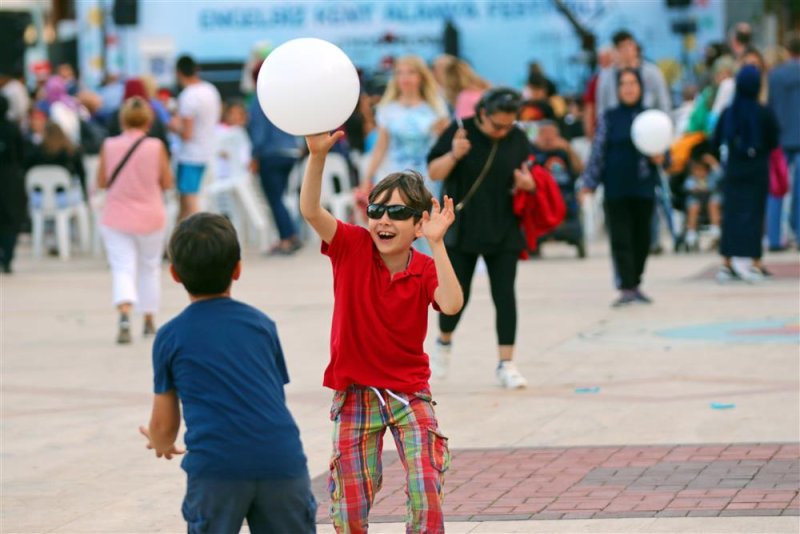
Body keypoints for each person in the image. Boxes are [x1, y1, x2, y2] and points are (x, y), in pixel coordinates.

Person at [299, 129, 463, 533]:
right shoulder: (351, 246)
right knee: (350, 507)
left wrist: (437, 244)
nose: (384, 221)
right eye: (376, 211)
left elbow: (452, 303)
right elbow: (310, 210)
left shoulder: (423, 267)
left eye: (398, 214)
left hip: (409, 391)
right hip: (355, 394)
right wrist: (317, 156)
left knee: (426, 486)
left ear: (419, 223)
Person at [139, 213, 316, 534]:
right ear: (238, 268)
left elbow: (165, 425)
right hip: (281, 461)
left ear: (175, 274)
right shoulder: (262, 326)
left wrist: (160, 441)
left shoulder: (171, 336)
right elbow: (271, 396)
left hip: (216, 471)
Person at [426, 87, 536, 388]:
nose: (503, 131)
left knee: (505, 295)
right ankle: (443, 344)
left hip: (504, 225)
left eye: (508, 124)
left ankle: (506, 363)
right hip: (464, 226)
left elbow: (532, 174)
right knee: (457, 295)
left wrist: (528, 183)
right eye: (497, 125)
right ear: (482, 114)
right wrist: (454, 154)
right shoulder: (460, 131)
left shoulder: (518, 137)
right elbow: (434, 171)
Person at [580, 69, 664, 307]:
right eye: (624, 84)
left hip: (644, 188)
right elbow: (598, 152)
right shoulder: (609, 117)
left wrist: (661, 158)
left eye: (633, 83)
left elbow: (663, 149)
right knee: (621, 238)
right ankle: (626, 286)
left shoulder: (650, 117)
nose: (628, 88)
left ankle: (636, 281)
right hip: (616, 188)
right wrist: (589, 183)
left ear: (641, 87)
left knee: (642, 238)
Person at [97, 97, 173, 343]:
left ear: (122, 119)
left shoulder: (109, 145)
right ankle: (149, 318)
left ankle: (124, 313)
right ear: (148, 120)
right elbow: (167, 182)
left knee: (122, 266)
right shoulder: (156, 146)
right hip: (151, 215)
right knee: (149, 267)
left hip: (116, 215)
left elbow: (100, 181)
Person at [362, 56, 449, 222]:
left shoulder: (436, 107)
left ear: (421, 76)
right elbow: (381, 146)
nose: (405, 78)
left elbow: (444, 144)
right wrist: (367, 178)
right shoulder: (387, 109)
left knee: (425, 226)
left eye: (411, 72)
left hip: (426, 180)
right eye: (400, 73)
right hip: (393, 178)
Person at [715, 65, 780, 282]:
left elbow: (715, 141)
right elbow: (773, 140)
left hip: (734, 170)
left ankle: (726, 262)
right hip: (757, 170)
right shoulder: (764, 112)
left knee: (731, 215)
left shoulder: (729, 112)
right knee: (754, 215)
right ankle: (755, 262)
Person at [247, 61, 303, 255]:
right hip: (290, 152)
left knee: (275, 199)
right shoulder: (284, 98)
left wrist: (254, 155)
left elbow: (259, 132)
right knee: (282, 197)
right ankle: (290, 235)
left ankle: (288, 237)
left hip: (271, 154)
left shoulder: (259, 99)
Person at [170, 55, 222, 221]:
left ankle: (199, 240)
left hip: (190, 155)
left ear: (178, 73)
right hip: (207, 151)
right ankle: (175, 242)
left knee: (191, 203)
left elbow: (186, 133)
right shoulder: (210, 90)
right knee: (185, 204)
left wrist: (171, 125)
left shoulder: (188, 96)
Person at [768, 34, 800, 249]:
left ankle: (773, 237)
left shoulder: (774, 76)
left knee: (776, 186)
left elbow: (769, 105)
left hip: (780, 136)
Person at [595, 30, 671, 117]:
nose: (626, 51)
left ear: (635, 47)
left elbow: (664, 102)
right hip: (617, 123)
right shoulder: (607, 76)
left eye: (629, 46)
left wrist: (666, 122)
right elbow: (601, 107)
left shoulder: (652, 72)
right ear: (615, 51)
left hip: (648, 121)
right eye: (621, 48)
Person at [0, 96, 26, 274]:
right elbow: (22, 153)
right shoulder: (12, 128)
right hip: (10, 179)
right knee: (10, 219)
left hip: (9, 176)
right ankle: (7, 257)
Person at [682, 153, 723, 249]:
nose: (700, 173)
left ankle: (715, 230)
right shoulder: (691, 179)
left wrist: (713, 162)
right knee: (693, 206)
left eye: (702, 170)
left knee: (714, 201)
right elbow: (688, 187)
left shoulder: (711, 178)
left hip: (710, 205)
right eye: (697, 170)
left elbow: (721, 175)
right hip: (696, 205)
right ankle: (691, 233)